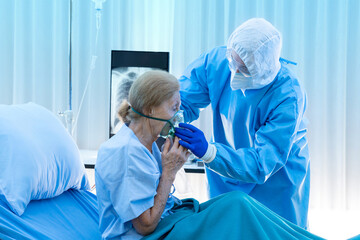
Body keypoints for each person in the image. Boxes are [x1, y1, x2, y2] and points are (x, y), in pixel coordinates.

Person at [95, 70, 322, 239]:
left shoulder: (147, 143)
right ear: (150, 110)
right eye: (174, 108)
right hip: (151, 235)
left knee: (237, 202)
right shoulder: (124, 153)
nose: (179, 116)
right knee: (237, 209)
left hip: (168, 224)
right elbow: (144, 225)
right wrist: (169, 172)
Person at [175, 18, 310, 228]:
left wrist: (210, 153)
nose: (234, 73)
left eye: (245, 68)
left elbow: (261, 164)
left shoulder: (287, 96)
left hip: (276, 182)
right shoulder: (216, 63)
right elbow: (180, 101)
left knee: (271, 231)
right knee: (226, 227)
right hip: (224, 171)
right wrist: (168, 120)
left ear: (265, 68)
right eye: (232, 62)